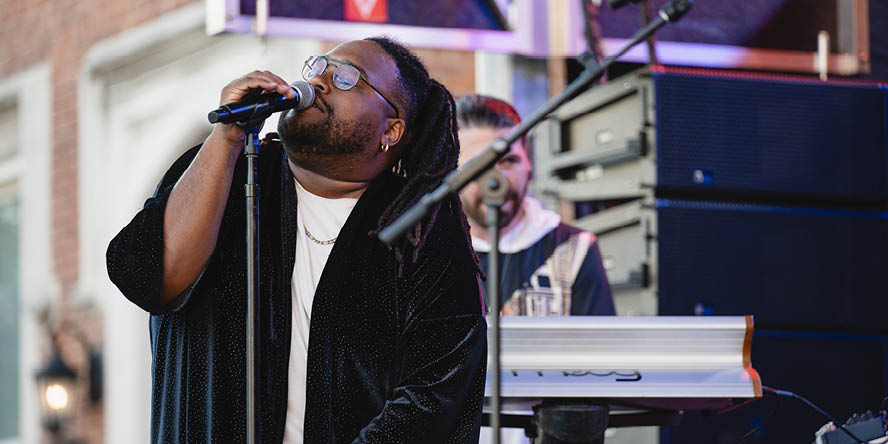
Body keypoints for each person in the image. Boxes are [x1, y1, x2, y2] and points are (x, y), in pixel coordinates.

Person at [106, 37, 487, 443]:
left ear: (391, 129)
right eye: (318, 67)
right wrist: (229, 136)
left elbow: (435, 391)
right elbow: (149, 277)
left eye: (346, 77)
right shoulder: (227, 175)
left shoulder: (419, 225)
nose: (320, 80)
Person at [455, 94, 615, 317]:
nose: (495, 180)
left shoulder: (574, 249)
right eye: (477, 165)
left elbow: (600, 348)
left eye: (508, 161)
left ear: (529, 162)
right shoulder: (424, 253)